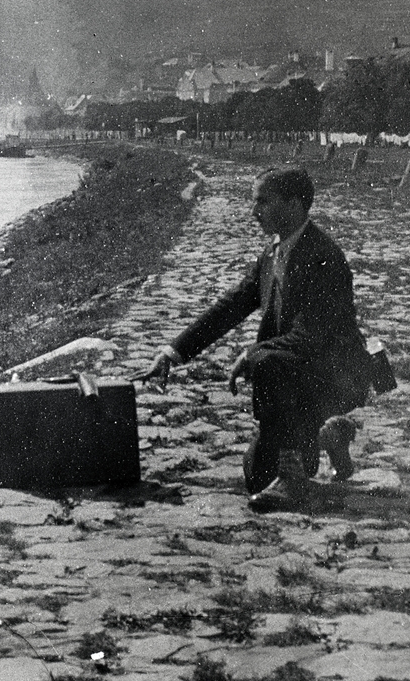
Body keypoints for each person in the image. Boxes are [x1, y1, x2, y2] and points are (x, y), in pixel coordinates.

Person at [144, 167, 373, 512]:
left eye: (263, 202)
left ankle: (294, 477)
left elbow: (309, 338)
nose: (254, 212)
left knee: (267, 363)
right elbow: (232, 305)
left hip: (336, 375)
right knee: (256, 476)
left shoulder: (323, 257)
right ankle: (326, 436)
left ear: (295, 205)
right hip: (298, 373)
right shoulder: (273, 253)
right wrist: (173, 352)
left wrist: (254, 354)